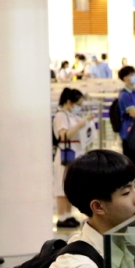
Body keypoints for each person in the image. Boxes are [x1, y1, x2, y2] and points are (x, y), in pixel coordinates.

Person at [52, 87, 97, 228]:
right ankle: (62, 216)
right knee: (61, 185)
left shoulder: (72, 115)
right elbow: (64, 136)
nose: (79, 107)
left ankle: (68, 214)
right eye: (78, 104)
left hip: (76, 152)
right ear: (69, 102)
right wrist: (79, 125)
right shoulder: (61, 116)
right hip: (66, 154)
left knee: (70, 185)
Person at [117, 66, 135, 167]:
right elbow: (133, 113)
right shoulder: (124, 95)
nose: (134, 77)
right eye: (131, 75)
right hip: (128, 133)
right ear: (125, 78)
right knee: (130, 162)